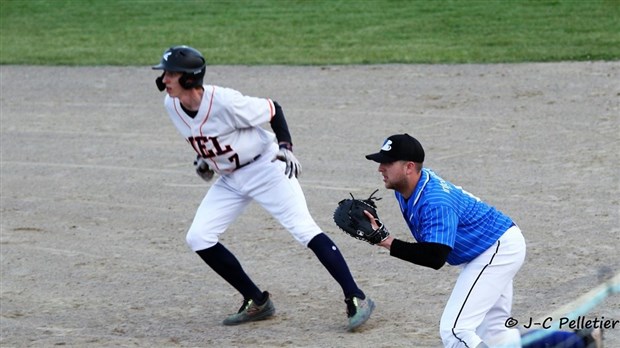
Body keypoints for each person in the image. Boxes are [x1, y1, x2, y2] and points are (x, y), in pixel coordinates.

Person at [151, 45, 374, 331]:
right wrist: (205, 160)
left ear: (189, 78)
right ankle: (256, 301)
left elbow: (273, 109)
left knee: (303, 229)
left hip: (266, 167)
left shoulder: (225, 101)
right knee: (199, 237)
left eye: (171, 73)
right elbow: (206, 136)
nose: (165, 79)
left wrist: (285, 147)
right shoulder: (172, 105)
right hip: (231, 179)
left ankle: (356, 296)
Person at [363, 133, 527, 347]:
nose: (380, 168)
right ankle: (565, 341)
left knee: (455, 331)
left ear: (409, 167)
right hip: (490, 246)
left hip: (495, 250)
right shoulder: (407, 186)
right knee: (494, 333)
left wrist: (386, 240)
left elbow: (435, 257)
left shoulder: (435, 201)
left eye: (388, 163)